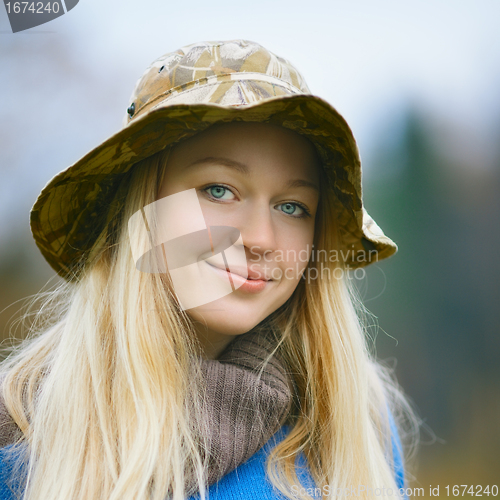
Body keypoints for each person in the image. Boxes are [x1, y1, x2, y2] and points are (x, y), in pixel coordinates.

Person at [0, 39, 419, 500]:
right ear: (141, 208)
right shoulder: (20, 425)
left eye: (293, 206)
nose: (260, 238)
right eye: (219, 190)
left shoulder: (354, 421)